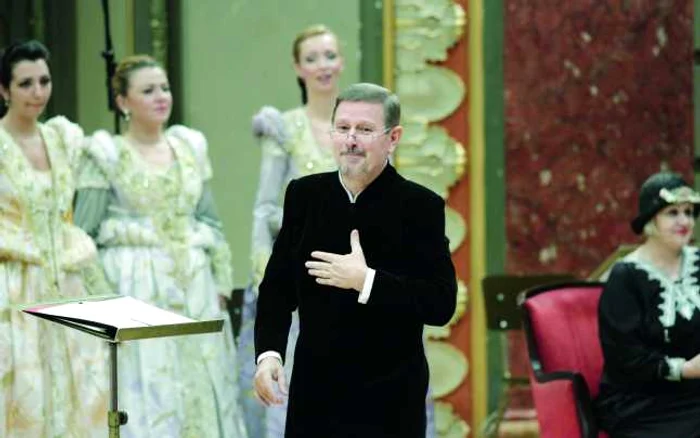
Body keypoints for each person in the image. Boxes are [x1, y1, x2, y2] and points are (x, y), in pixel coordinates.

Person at [254, 82, 457, 437]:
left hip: (389, 400)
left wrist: (366, 281)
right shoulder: (304, 196)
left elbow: (440, 303)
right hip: (314, 397)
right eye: (343, 128)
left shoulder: (420, 207)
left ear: (393, 138)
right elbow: (276, 288)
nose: (351, 140)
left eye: (364, 130)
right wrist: (269, 354)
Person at [73, 54, 247, 438]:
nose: (160, 97)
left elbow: (211, 222)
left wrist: (219, 282)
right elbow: (82, 234)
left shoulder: (189, 148)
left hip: (193, 290)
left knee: (200, 392)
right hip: (135, 293)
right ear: (123, 102)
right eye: (148, 90)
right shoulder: (105, 154)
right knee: (149, 396)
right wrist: (105, 301)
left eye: (164, 88)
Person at [238, 24, 343, 437]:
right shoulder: (283, 127)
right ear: (298, 68)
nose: (323, 66)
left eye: (330, 56)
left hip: (352, 280)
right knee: (297, 388)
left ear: (342, 62)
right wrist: (271, 275)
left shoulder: (355, 124)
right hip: (304, 279)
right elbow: (265, 209)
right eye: (313, 58)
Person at [0, 40, 109, 437]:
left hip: (66, 284)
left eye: (44, 81)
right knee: (22, 393)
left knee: (79, 387)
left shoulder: (63, 140)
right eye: (25, 83)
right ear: (4, 89)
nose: (37, 91)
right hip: (12, 285)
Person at [596, 172, 700, 437]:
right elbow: (624, 357)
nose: (684, 221)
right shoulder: (626, 276)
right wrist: (685, 369)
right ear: (651, 220)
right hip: (639, 401)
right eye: (673, 213)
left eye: (689, 212)